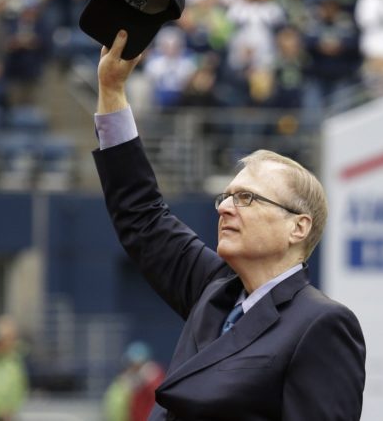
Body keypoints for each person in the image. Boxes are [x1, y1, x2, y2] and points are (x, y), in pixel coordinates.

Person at [92, 30, 366, 420]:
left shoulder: (321, 324)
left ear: (298, 228)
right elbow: (142, 214)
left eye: (248, 198)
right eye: (227, 197)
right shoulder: (214, 290)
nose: (225, 209)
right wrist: (113, 90)